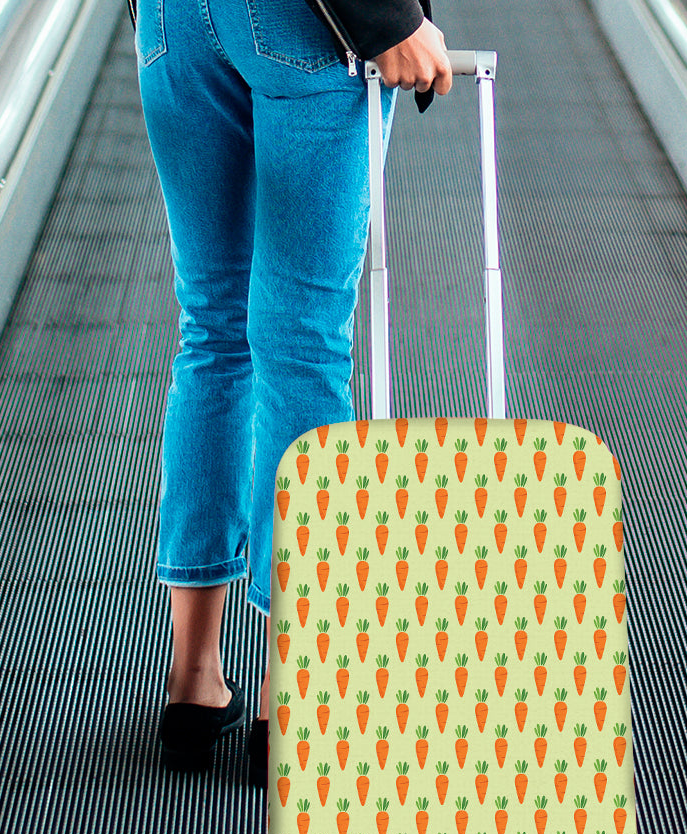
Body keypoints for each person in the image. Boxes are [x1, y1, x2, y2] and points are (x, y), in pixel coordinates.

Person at [135, 0, 452, 777]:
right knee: (301, 346)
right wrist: (387, 18)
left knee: (211, 332)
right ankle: (292, 697)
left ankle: (194, 679)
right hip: (305, 28)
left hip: (173, 24)